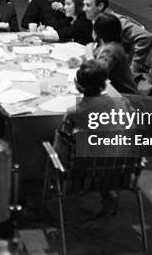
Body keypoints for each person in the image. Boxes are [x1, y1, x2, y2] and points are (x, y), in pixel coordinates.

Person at [55, 60, 137, 216]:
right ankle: (108, 194)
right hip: (119, 171)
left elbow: (63, 137)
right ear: (105, 84)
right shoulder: (123, 104)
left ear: (77, 85)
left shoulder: (74, 112)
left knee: (64, 142)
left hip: (82, 173)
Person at [82, 0, 152, 78]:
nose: (84, 9)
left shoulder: (117, 22)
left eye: (88, 5)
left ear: (100, 6)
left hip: (117, 73)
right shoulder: (97, 20)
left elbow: (146, 38)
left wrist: (132, 68)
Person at [19, 0, 93, 45]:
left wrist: (32, 34)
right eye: (65, 4)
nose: (65, 7)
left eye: (68, 4)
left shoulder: (83, 22)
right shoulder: (77, 19)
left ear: (78, 5)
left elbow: (59, 34)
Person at [91, 13, 139, 95]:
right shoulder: (114, 44)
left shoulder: (110, 51)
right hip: (120, 92)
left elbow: (97, 73)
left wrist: (89, 56)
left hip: (124, 97)